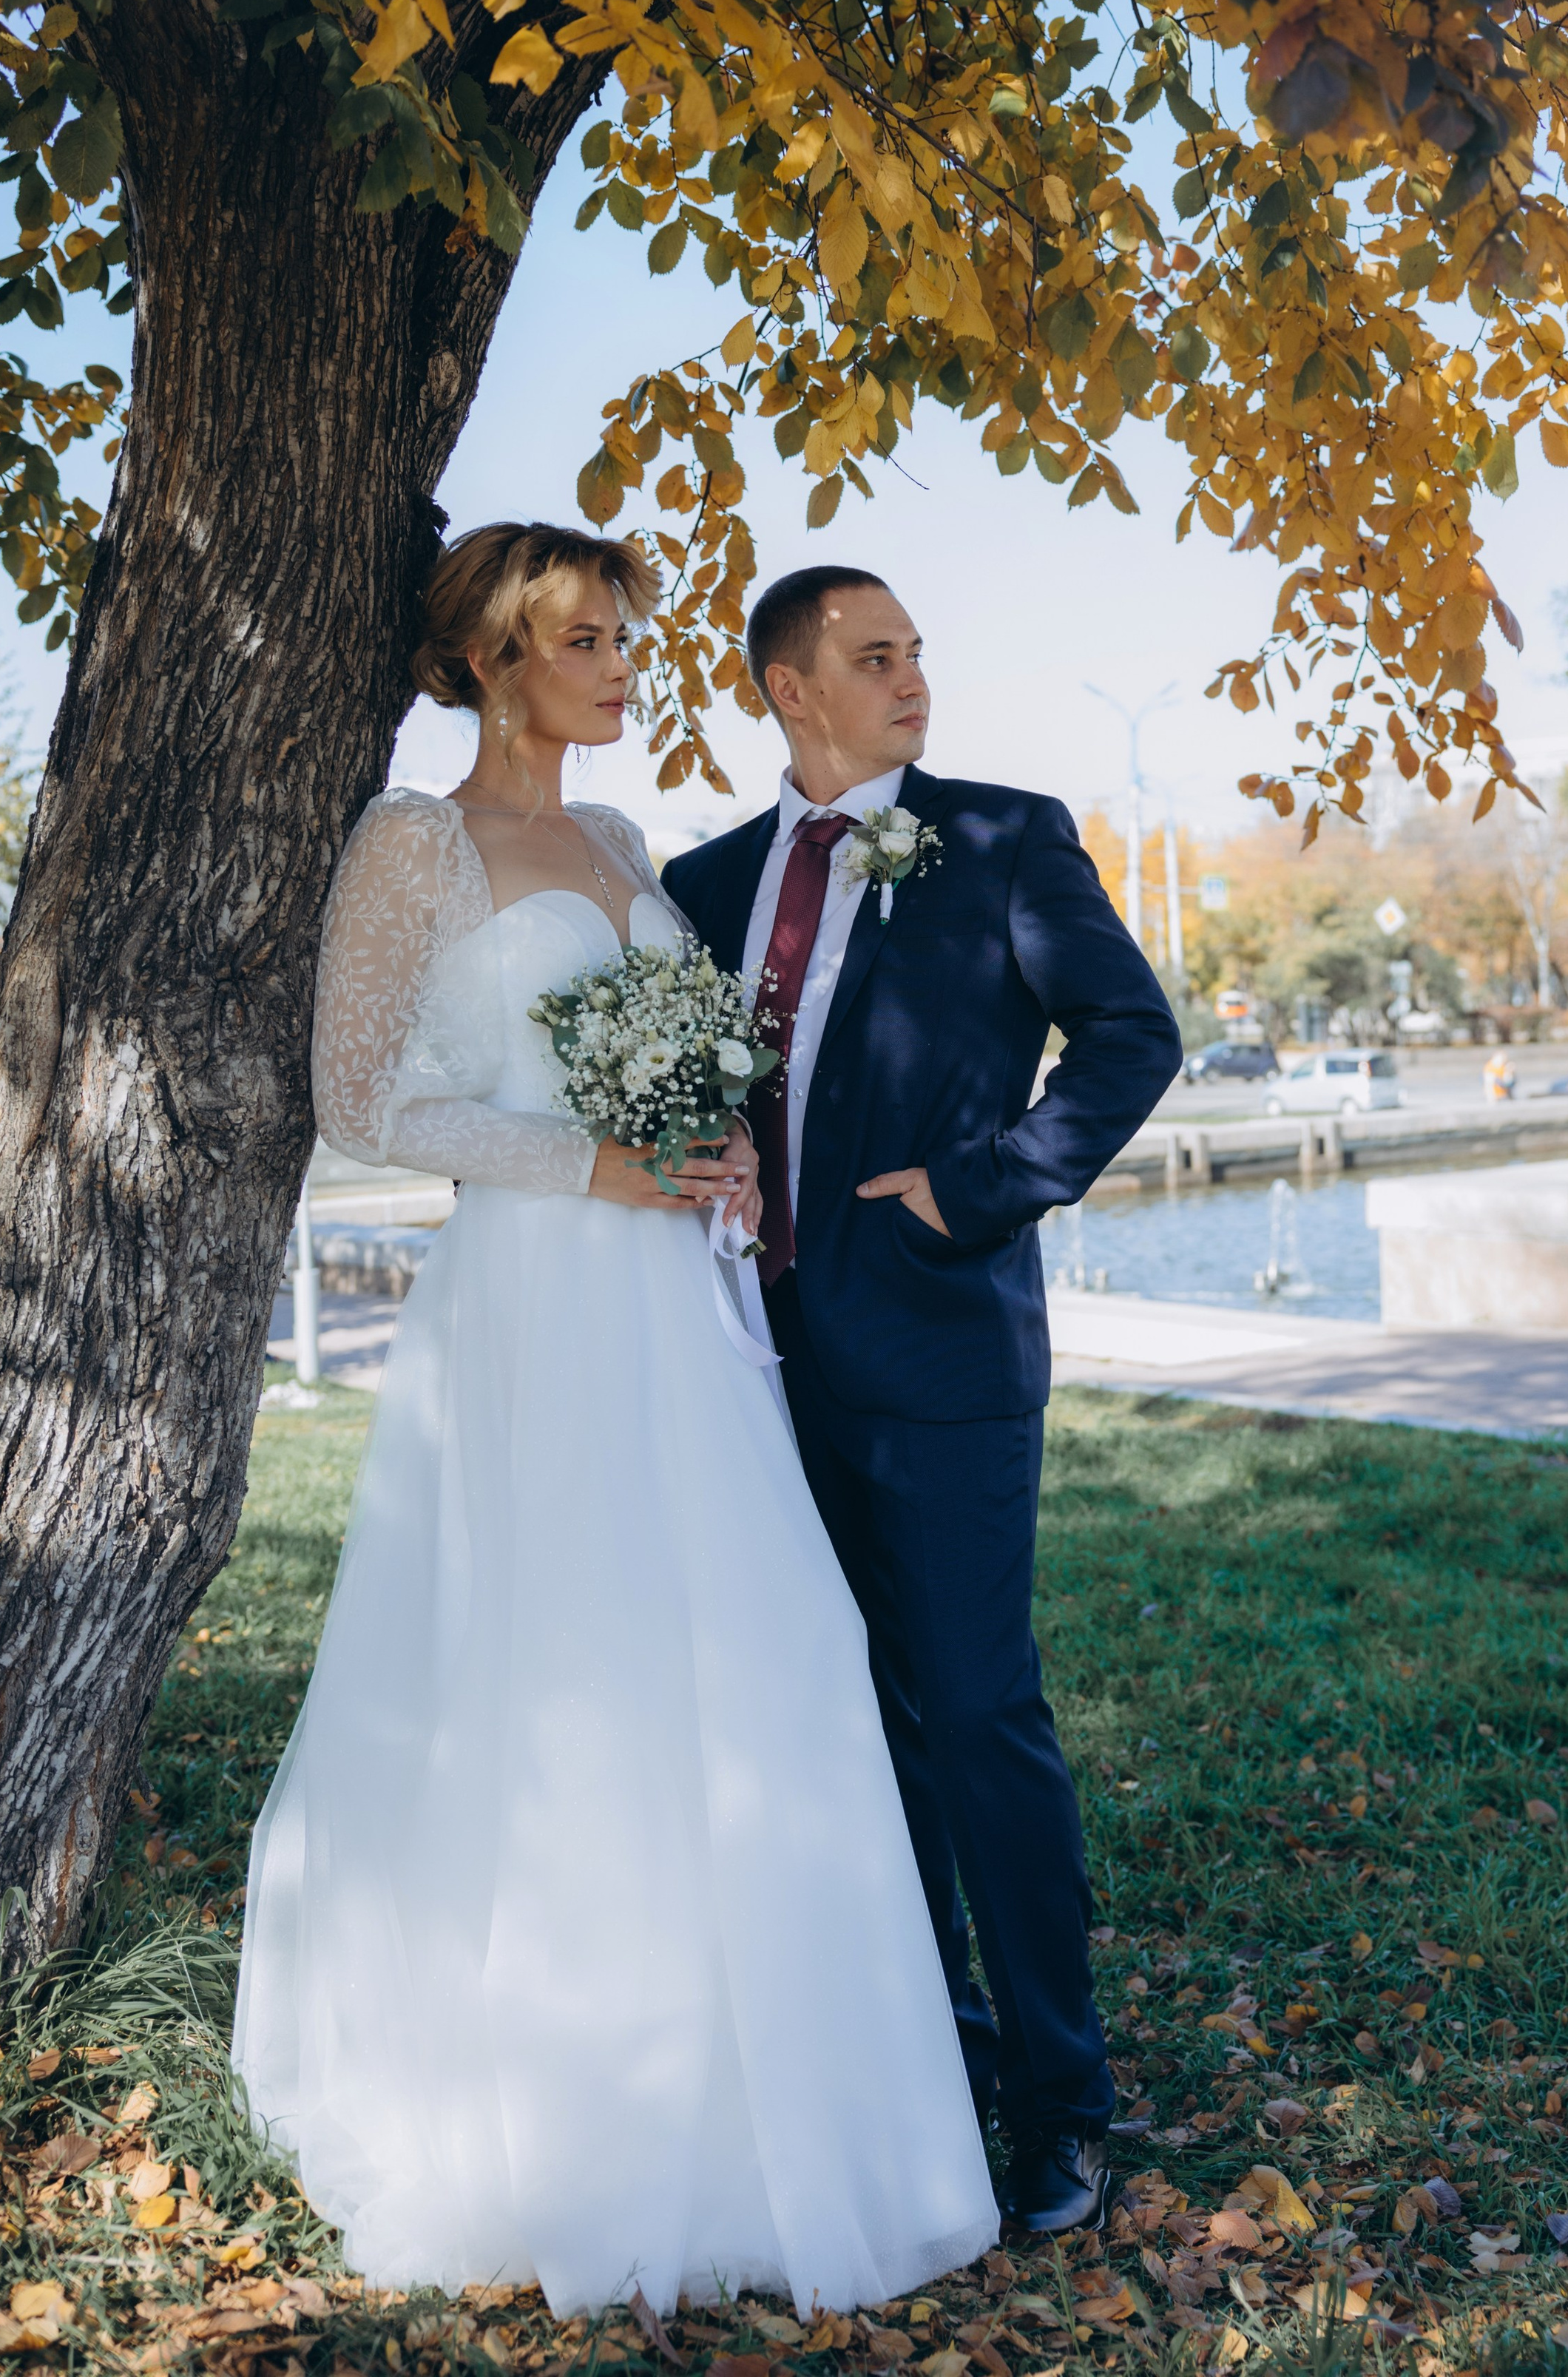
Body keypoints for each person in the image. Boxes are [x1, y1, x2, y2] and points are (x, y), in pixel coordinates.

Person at [233, 524, 996, 2318]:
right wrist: (596, 1163)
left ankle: (767, 2097)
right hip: (535, 1304)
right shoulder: (414, 844)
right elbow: (361, 1101)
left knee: (752, 1652)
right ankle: (560, 2113)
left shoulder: (628, 846)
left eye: (630, 640)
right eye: (590, 638)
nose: (625, 668)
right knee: (557, 1662)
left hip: (674, 1305)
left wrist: (714, 1153)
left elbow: (677, 1054)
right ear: (500, 653)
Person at [667, 568, 1183, 2239]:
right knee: (849, 1728)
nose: (912, 682)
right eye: (872, 658)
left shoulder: (1004, 836)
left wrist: (983, 1188)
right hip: (754, 1363)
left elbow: (1128, 1037)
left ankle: (1060, 2101)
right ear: (785, 689)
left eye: (915, 654)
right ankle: (925, 2059)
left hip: (946, 1354)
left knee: (974, 1717)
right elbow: (689, 1096)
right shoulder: (702, 884)